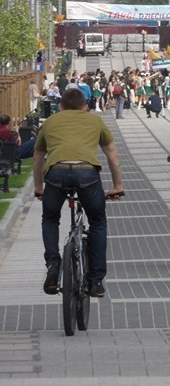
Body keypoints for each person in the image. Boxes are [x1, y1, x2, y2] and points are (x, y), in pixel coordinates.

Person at [33, 89, 124, 298]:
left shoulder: (50, 122)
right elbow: (112, 153)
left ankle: (53, 265)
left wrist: (39, 187)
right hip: (87, 174)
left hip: (56, 173)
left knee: (50, 218)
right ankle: (95, 281)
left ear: (61, 106)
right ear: (85, 106)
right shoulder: (94, 121)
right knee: (98, 221)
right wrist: (118, 185)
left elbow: (38, 157)